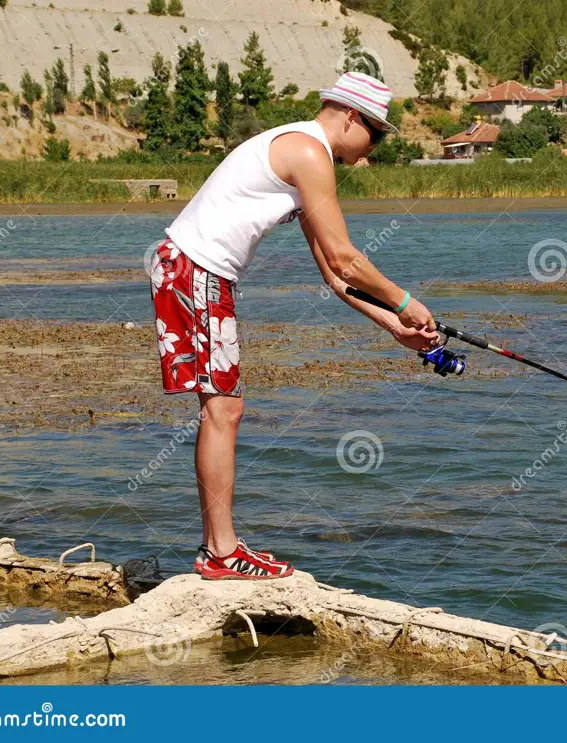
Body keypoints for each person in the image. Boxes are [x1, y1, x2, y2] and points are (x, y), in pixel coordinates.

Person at [148, 71, 438, 580]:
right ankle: (220, 553)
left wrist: (393, 324)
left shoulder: (305, 156)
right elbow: (348, 259)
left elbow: (334, 274)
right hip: (195, 269)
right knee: (224, 410)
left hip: (196, 270)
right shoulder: (307, 152)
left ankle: (219, 548)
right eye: (376, 133)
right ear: (351, 116)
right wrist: (406, 299)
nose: (372, 150)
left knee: (224, 408)